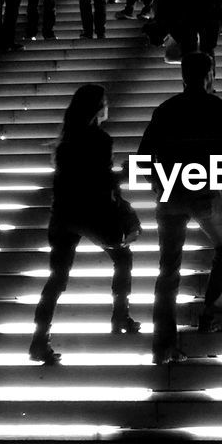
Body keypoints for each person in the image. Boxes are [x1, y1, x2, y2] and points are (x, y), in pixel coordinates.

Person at [136, 52, 222, 364]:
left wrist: (158, 182)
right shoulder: (215, 106)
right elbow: (221, 149)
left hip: (169, 193)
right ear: (211, 75)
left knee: (168, 270)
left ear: (183, 76)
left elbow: (142, 154)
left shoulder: (166, 108)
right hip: (201, 191)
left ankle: (163, 345)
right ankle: (212, 314)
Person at [28, 84, 141, 365]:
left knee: (56, 278)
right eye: (105, 102)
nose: (107, 107)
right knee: (123, 256)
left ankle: (39, 341)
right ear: (98, 108)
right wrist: (125, 177)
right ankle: (120, 315)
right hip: (92, 214)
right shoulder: (100, 139)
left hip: (63, 215)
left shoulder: (65, 141)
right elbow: (103, 183)